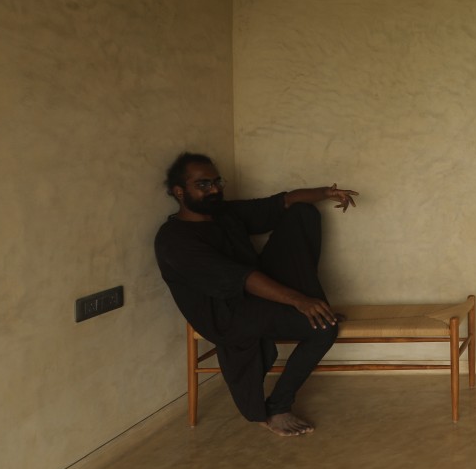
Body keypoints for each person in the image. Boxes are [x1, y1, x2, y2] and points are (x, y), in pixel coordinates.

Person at [154, 152, 359, 437]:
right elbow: (242, 278)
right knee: (325, 330)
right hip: (227, 314)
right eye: (203, 184)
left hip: (255, 292)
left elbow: (282, 202)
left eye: (216, 182)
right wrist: (300, 300)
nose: (214, 189)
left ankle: (314, 310)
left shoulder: (223, 214)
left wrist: (326, 192)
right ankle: (278, 407)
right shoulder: (174, 240)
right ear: (179, 192)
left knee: (302, 212)